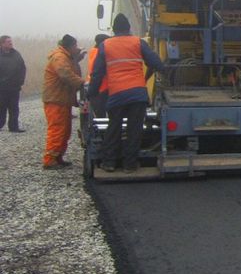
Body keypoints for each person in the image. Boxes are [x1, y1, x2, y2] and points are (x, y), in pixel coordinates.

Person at [88, 14, 165, 173]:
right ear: (128, 28)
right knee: (134, 130)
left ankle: (109, 163)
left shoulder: (105, 45)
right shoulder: (138, 42)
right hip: (137, 94)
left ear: (114, 29)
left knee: (113, 128)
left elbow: (97, 73)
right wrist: (147, 77)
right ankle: (130, 165)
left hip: (117, 94)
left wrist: (92, 93)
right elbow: (157, 63)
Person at [42, 34, 85, 169]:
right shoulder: (60, 57)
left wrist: (76, 58)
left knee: (65, 129)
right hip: (56, 99)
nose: (77, 48)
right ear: (70, 46)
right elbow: (65, 74)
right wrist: (83, 84)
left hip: (61, 99)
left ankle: (58, 156)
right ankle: (50, 160)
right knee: (57, 129)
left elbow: (70, 69)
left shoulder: (65, 56)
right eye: (75, 46)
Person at [0, 35, 27, 133]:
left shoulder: (16, 54)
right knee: (1, 107)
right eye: (8, 42)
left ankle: (14, 127)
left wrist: (20, 81)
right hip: (2, 88)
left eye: (11, 41)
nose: (11, 43)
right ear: (1, 44)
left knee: (14, 108)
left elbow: (23, 68)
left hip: (14, 87)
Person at [86, 33, 110, 117]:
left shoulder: (93, 52)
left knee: (99, 117)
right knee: (103, 119)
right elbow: (98, 72)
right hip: (102, 89)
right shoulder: (101, 53)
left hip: (95, 87)